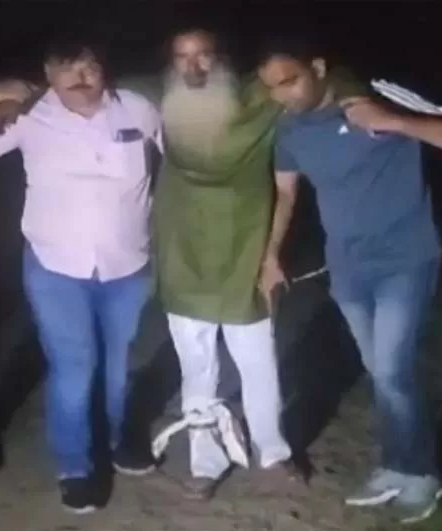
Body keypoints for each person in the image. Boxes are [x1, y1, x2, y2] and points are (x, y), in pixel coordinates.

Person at [256, 37, 442, 523]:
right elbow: (285, 194)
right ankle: (396, 465)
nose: (283, 95)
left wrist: (394, 122)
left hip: (406, 259)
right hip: (347, 267)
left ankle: (422, 475)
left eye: (290, 80)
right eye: (272, 87)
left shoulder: (379, 97)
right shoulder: (289, 129)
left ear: (318, 66)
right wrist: (272, 256)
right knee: (380, 371)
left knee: (391, 371)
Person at [0, 35, 161, 514]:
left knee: (119, 364)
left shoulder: (139, 108)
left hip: (128, 265)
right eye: (67, 69)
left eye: (89, 67)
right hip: (56, 268)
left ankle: (116, 440)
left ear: (104, 70)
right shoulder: (29, 116)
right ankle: (75, 468)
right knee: (74, 367)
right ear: (48, 76)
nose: (80, 78)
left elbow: (185, 153)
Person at [146, 28, 306, 501]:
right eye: (182, 57)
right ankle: (206, 461)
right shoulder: (157, 99)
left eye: (203, 55)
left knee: (257, 360)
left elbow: (318, 79)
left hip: (243, 251)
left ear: (223, 60)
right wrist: (20, 100)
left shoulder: (260, 101)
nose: (193, 67)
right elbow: (84, 91)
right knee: (196, 364)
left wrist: (272, 255)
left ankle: (272, 453)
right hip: (182, 253)